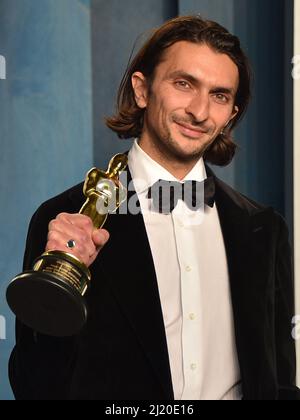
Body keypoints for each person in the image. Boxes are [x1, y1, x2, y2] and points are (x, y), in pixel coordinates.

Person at [9, 15, 300, 400]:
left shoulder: (264, 228)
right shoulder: (67, 216)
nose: (199, 111)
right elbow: (36, 386)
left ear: (231, 114)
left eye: (219, 95)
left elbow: (277, 378)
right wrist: (55, 289)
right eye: (184, 84)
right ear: (142, 90)